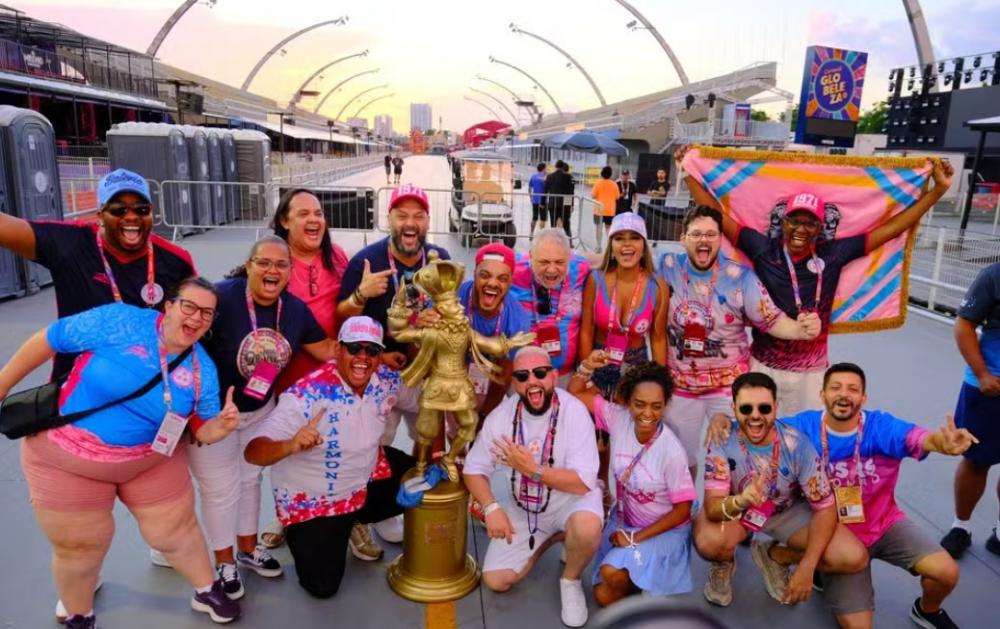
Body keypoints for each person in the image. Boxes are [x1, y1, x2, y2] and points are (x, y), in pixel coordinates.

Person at [0, 278, 242, 627]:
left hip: (148, 460)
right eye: (189, 306)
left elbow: (202, 429)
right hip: (68, 458)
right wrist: (2, 385)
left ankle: (207, 589)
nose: (196, 317)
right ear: (169, 306)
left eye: (207, 313)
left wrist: (221, 427)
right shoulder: (120, 320)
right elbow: (49, 339)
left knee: (177, 530)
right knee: (80, 546)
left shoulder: (202, 368)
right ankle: (80, 615)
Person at [682, 149, 953, 415]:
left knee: (806, 438)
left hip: (811, 373)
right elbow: (716, 215)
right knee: (757, 434)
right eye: (794, 221)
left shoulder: (833, 254)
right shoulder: (763, 248)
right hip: (763, 365)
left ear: (820, 228)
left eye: (810, 224)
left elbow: (893, 228)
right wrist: (688, 170)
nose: (801, 229)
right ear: (783, 222)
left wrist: (938, 191)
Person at [180, 236, 344, 599]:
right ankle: (224, 562)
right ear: (249, 265)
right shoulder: (221, 299)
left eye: (281, 264)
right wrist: (189, 410)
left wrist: (370, 354)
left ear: (290, 271)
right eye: (264, 263)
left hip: (259, 411)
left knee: (250, 480)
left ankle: (247, 549)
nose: (272, 270)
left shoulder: (294, 310)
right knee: (220, 490)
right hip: (214, 415)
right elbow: (183, 343)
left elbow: (324, 349)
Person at [761, 363, 971, 629]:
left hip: (884, 524)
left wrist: (943, 444)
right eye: (836, 387)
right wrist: (722, 422)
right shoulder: (802, 428)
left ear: (863, 398)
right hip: (833, 534)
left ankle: (926, 610)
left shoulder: (881, 427)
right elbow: (754, 429)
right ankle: (784, 556)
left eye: (853, 389)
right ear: (822, 394)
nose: (844, 394)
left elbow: (921, 439)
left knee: (946, 573)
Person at [244, 317, 415, 599]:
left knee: (425, 479)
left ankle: (355, 521)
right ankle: (317, 528)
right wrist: (290, 445)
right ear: (338, 349)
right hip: (317, 501)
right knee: (322, 586)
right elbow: (253, 451)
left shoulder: (386, 380)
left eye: (372, 350)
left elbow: (426, 401)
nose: (363, 358)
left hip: (366, 479)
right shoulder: (306, 394)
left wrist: (439, 452)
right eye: (354, 348)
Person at [658, 206, 821, 476]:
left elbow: (770, 319)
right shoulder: (666, 266)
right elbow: (628, 271)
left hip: (728, 386)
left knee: (740, 459)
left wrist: (801, 330)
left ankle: (738, 502)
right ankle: (686, 503)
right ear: (683, 238)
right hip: (681, 385)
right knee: (679, 462)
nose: (703, 240)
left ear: (720, 239)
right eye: (696, 234)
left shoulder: (740, 277)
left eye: (711, 234)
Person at [0, 167, 195, 382]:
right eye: (119, 210)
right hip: (77, 385)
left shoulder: (176, 261)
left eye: (141, 209)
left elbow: (197, 322)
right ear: (100, 214)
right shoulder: (70, 243)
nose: (131, 217)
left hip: (147, 386)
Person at [694, 372, 867, 609]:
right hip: (739, 511)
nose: (755, 416)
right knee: (709, 542)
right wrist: (741, 501)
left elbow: (825, 508)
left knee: (852, 556)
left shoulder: (797, 444)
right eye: (746, 408)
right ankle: (723, 561)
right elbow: (713, 508)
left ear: (776, 407)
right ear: (733, 408)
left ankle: (776, 557)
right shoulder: (721, 439)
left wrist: (807, 566)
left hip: (786, 511)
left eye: (764, 408)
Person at [464, 347, 603, 628]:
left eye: (540, 373)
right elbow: (473, 469)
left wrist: (533, 470)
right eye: (522, 376)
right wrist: (491, 508)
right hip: (524, 507)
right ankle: (553, 538)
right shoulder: (501, 417)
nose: (532, 381)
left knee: (587, 527)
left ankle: (570, 580)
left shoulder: (574, 412)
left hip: (570, 503)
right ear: (514, 382)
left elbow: (583, 482)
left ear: (553, 376)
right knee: (496, 580)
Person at [569, 357, 696, 604]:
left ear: (665, 405)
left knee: (610, 573)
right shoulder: (618, 418)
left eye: (656, 406)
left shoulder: (672, 452)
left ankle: (648, 573)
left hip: (663, 531)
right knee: (603, 597)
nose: (648, 413)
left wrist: (634, 539)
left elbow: (683, 511)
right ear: (627, 401)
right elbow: (575, 392)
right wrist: (587, 366)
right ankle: (642, 575)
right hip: (625, 521)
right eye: (639, 404)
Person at [336, 183, 450, 356]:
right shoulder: (365, 262)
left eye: (418, 216)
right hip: (376, 358)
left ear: (428, 222)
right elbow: (341, 321)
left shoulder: (440, 260)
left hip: (428, 357)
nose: (410, 223)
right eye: (402, 216)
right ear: (389, 220)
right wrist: (360, 295)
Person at [942, 261, 1000, 560]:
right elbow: (964, 325)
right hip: (990, 387)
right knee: (976, 460)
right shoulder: (994, 275)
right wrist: (982, 374)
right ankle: (960, 527)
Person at [579, 212, 668, 400]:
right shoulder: (596, 280)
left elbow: (658, 338)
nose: (627, 244)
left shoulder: (658, 286)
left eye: (634, 237)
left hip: (636, 370)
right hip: (598, 362)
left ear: (644, 246)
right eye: (619, 238)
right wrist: (586, 373)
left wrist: (660, 384)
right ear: (611, 245)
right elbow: (587, 330)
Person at [271, 188, 350, 393]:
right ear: (285, 221)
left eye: (318, 213)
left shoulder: (337, 255)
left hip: (337, 376)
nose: (314, 219)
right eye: (303, 214)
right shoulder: (273, 264)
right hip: (292, 384)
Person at [457, 243, 532, 418]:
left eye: (502, 278)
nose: (492, 283)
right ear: (474, 274)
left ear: (510, 282)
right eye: (485, 275)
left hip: (492, 375)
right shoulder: (453, 296)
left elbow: (504, 377)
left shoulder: (517, 319)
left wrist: (485, 416)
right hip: (454, 373)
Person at [510, 228, 592, 377]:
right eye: (544, 262)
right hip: (523, 376)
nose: (552, 270)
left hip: (566, 374)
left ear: (569, 257)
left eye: (560, 262)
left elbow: (605, 260)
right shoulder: (512, 269)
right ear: (531, 256)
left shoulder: (581, 268)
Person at [591, 166, 620, 251]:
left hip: (598, 210)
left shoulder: (598, 183)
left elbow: (593, 195)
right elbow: (617, 197)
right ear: (610, 174)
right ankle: (609, 247)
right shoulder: (614, 184)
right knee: (609, 229)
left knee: (598, 228)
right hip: (610, 210)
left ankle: (598, 246)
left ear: (602, 173)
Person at [545, 160, 576, 239]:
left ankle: (553, 241)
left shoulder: (549, 176)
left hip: (553, 203)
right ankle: (569, 241)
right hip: (565, 205)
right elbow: (570, 192)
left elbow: (545, 190)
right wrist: (571, 204)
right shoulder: (569, 177)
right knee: (566, 224)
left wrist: (542, 202)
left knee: (553, 225)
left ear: (555, 166)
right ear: (562, 167)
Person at [529, 162, 548, 237]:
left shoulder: (533, 176)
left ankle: (531, 233)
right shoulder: (546, 177)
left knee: (534, 218)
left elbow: (529, 188)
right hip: (543, 200)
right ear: (543, 168)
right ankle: (541, 236)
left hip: (535, 200)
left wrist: (531, 198)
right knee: (542, 219)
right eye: (546, 168)